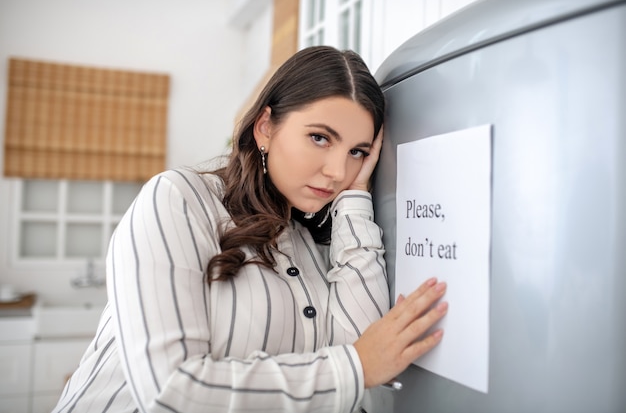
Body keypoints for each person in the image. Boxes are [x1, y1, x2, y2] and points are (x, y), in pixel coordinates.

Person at [52, 45, 448, 413]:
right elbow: (169, 393)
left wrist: (356, 197)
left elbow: (367, 361)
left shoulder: (318, 240)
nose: (337, 171)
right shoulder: (179, 199)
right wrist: (356, 365)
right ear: (265, 127)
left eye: (356, 152)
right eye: (319, 137)